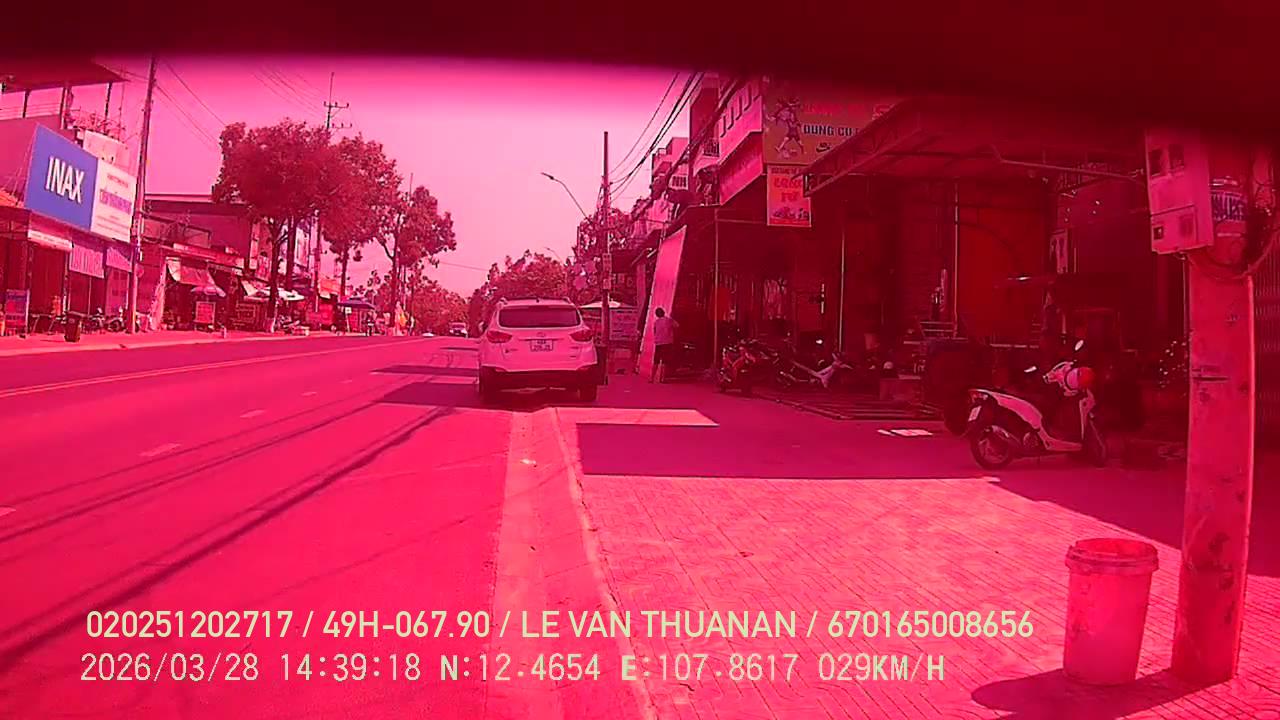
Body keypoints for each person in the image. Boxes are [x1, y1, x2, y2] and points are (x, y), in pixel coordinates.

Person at [650, 307, 678, 383]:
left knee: (656, 361)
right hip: (667, 342)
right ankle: (662, 379)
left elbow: (654, 332)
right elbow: (677, 325)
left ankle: (652, 378)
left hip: (658, 343)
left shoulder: (656, 322)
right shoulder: (669, 320)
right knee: (664, 361)